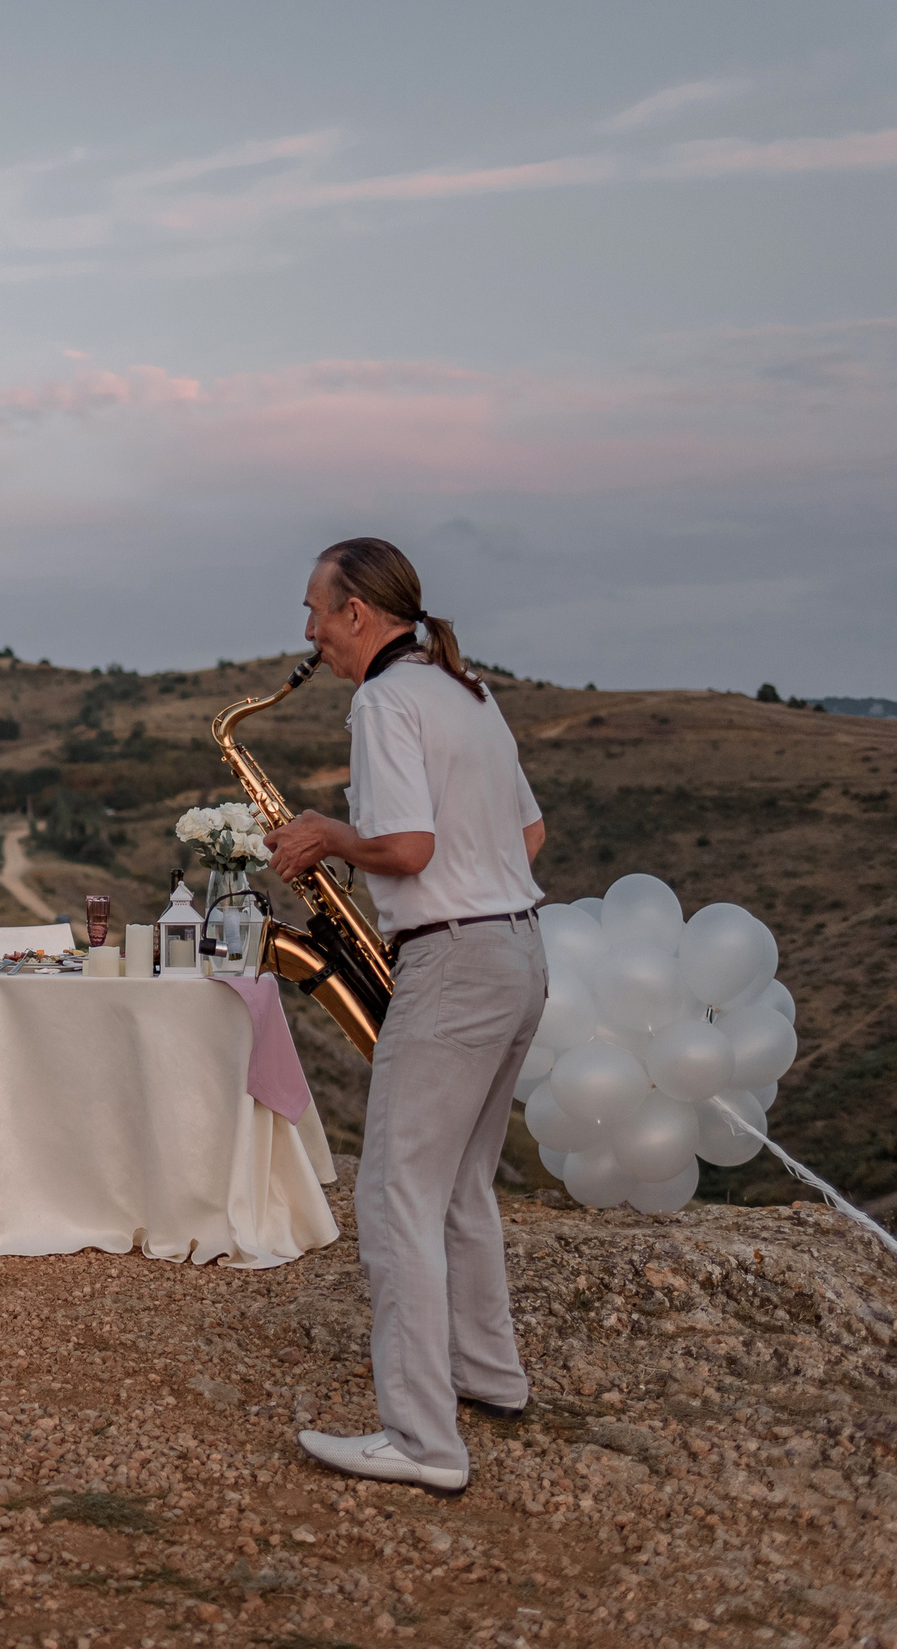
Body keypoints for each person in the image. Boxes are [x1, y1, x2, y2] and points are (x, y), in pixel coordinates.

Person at [263, 537, 548, 1494]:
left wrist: (327, 834)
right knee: (462, 1183)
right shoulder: (468, 690)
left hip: (457, 960)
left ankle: (423, 1441)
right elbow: (530, 832)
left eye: (315, 609)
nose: (307, 631)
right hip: (518, 950)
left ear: (358, 613)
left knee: (395, 1195)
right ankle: (488, 1374)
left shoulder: (384, 698)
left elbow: (411, 846)